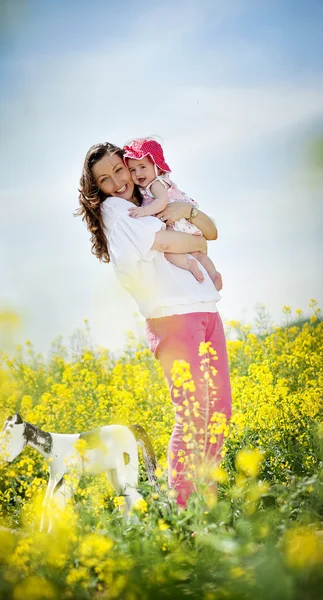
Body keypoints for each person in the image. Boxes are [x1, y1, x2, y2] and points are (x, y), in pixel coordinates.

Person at [77, 142, 232, 508]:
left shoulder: (147, 199)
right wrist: (194, 237)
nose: (116, 182)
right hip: (172, 319)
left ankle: (204, 505)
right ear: (97, 189)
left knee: (218, 412)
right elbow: (172, 240)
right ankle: (183, 510)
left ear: (131, 165)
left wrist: (190, 220)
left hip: (204, 308)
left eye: (120, 170)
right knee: (193, 416)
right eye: (105, 179)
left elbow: (208, 235)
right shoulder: (116, 210)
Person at [123, 137, 222, 291]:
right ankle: (214, 275)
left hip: (177, 222)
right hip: (186, 223)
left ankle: (190, 264)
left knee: (169, 251)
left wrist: (143, 211)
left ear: (157, 167)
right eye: (132, 170)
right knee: (199, 254)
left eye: (143, 167)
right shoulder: (156, 183)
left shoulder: (155, 184)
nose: (138, 173)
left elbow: (162, 202)